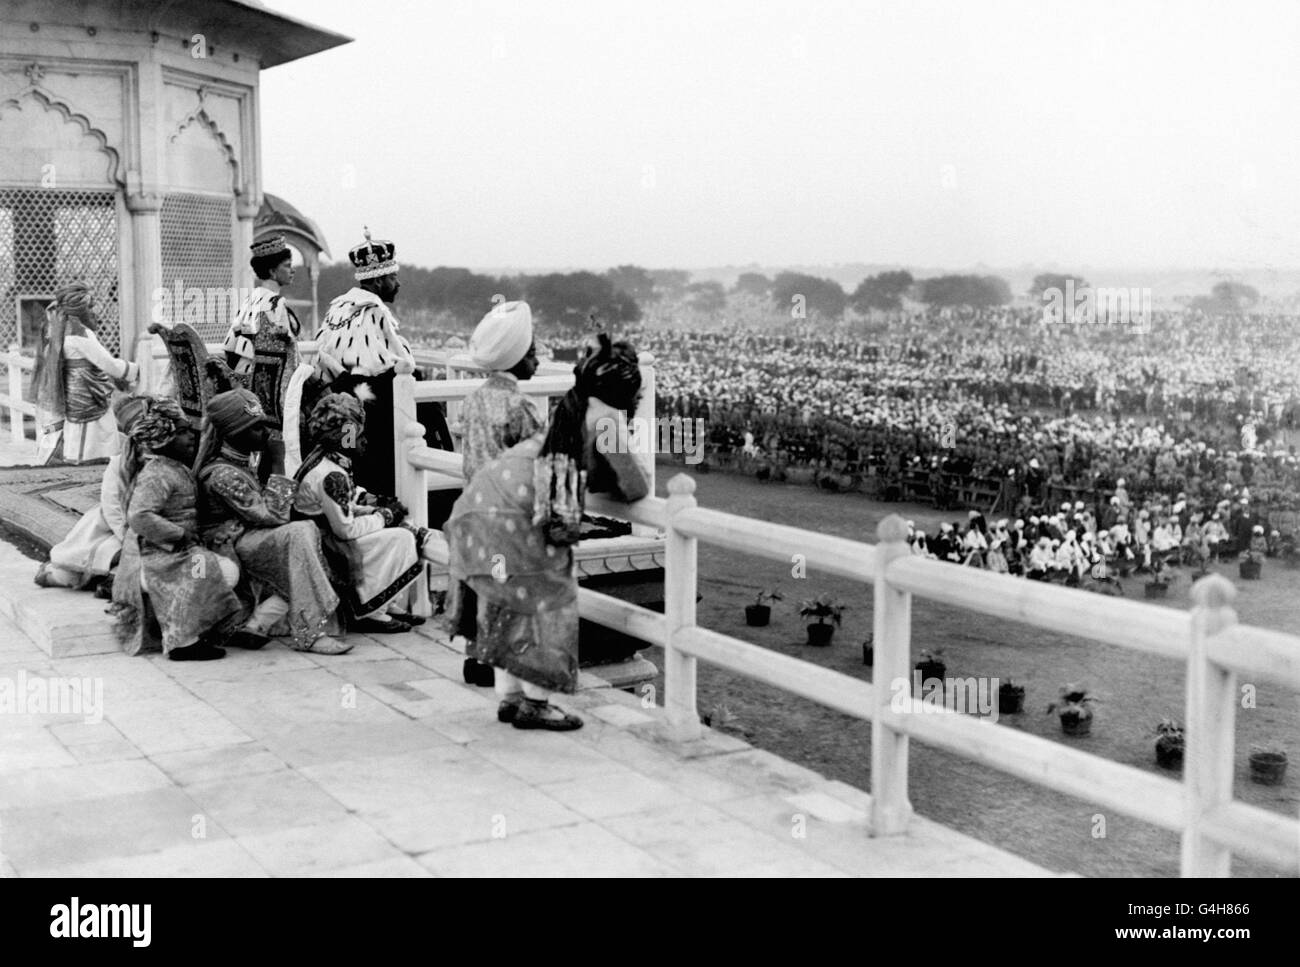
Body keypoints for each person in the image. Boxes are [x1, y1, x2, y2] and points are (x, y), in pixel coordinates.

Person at [444, 334, 651, 731]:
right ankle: (536, 703)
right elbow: (635, 484)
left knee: (511, 601)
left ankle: (511, 697)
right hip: (517, 508)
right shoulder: (606, 416)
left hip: (486, 497)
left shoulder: (574, 407)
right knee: (547, 599)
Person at [194, 388, 350, 655]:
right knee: (299, 532)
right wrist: (278, 459)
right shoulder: (220, 474)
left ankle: (264, 621)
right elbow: (275, 515)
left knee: (308, 533)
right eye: (256, 428)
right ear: (234, 434)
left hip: (250, 535)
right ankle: (309, 632)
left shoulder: (243, 460)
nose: (265, 434)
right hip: (229, 544)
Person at [110, 397, 245, 660]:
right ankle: (182, 642)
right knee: (203, 567)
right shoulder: (157, 472)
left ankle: (197, 630)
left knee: (213, 564)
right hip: (154, 555)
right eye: (182, 432)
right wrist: (179, 535)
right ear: (164, 438)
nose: (191, 437)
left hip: (174, 552)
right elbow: (139, 516)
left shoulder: (174, 468)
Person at [452, 300, 544, 685]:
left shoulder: (473, 400)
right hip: (507, 513)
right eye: (533, 353)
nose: (537, 360)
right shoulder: (521, 405)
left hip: (474, 507)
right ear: (517, 358)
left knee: (479, 584)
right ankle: (496, 662)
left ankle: (475, 658)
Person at [293, 393, 435, 634]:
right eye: (358, 436)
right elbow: (345, 529)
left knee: (400, 530)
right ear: (344, 437)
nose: (364, 442)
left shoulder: (327, 459)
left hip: (328, 532)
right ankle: (370, 611)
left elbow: (346, 502)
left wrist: (374, 508)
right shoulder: (331, 474)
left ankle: (386, 603)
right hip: (327, 544)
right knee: (401, 537)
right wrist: (384, 517)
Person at [313, 227, 416, 498]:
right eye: (394, 277)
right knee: (377, 449)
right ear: (379, 281)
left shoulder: (338, 305)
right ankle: (388, 494)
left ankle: (350, 491)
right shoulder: (375, 310)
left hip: (337, 398)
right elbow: (403, 362)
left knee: (347, 449)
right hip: (365, 404)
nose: (399, 284)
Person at [35, 395, 150, 591]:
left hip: (149, 527)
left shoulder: (170, 459)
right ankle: (60, 575)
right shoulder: (120, 462)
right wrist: (128, 537)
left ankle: (115, 582)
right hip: (116, 527)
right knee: (91, 561)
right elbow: (112, 506)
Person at [32, 281, 140, 464]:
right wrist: (136, 370)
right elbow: (108, 364)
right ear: (79, 310)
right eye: (90, 307)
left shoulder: (57, 330)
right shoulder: (79, 333)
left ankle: (77, 460)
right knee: (95, 431)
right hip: (88, 394)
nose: (94, 312)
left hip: (73, 391)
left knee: (80, 431)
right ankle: (86, 464)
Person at [222, 235, 300, 376]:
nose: (292, 270)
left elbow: (230, 345)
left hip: (241, 376)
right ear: (273, 272)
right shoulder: (276, 304)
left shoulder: (250, 300)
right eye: (287, 266)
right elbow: (291, 354)